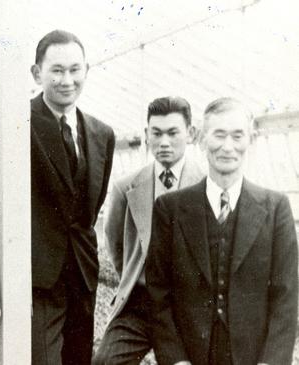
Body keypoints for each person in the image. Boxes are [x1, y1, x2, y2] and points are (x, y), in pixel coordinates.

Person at [0, 29, 115, 364]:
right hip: (38, 274)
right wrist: (6, 38)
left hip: (82, 273)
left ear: (88, 70)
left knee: (78, 358)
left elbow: (89, 206)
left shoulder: (102, 134)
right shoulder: (19, 119)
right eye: (56, 70)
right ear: (36, 73)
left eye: (75, 69)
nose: (66, 80)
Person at [146, 97, 298, 365]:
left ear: (250, 140)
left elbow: (286, 297)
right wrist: (176, 361)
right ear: (202, 140)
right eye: (219, 135)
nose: (228, 147)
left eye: (237, 136)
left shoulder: (276, 208)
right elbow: (158, 293)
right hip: (190, 357)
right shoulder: (170, 208)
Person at [93, 96, 204, 365]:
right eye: (156, 133)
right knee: (105, 362)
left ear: (189, 134)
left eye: (173, 133)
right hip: (139, 306)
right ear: (146, 135)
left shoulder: (207, 187)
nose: (164, 142)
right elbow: (115, 243)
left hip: (188, 309)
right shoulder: (125, 188)